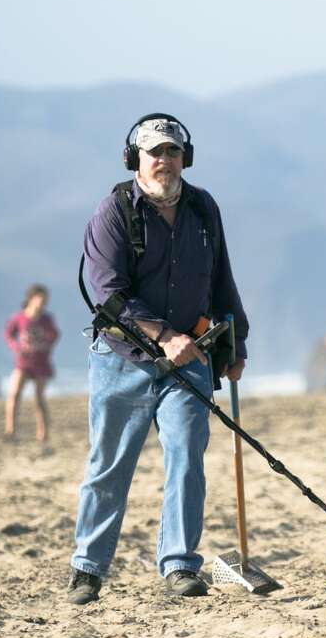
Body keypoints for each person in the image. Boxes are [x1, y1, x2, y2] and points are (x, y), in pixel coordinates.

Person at [69, 114, 249, 605]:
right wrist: (164, 335)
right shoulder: (112, 213)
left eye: (172, 152)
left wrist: (238, 343)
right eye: (155, 153)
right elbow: (109, 294)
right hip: (121, 359)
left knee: (187, 457)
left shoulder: (203, 208)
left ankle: (179, 564)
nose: (164, 161)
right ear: (135, 160)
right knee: (109, 465)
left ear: (183, 157)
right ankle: (88, 568)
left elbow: (221, 279)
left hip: (190, 357)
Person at [3, 283, 59, 442]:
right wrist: (16, 346)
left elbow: (55, 334)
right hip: (23, 362)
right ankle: (10, 430)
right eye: (41, 299)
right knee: (14, 394)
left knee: (39, 399)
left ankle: (43, 434)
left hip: (41, 362)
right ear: (31, 298)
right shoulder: (19, 317)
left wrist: (47, 346)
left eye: (45, 300)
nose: (43, 303)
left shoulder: (47, 318)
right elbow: (8, 334)